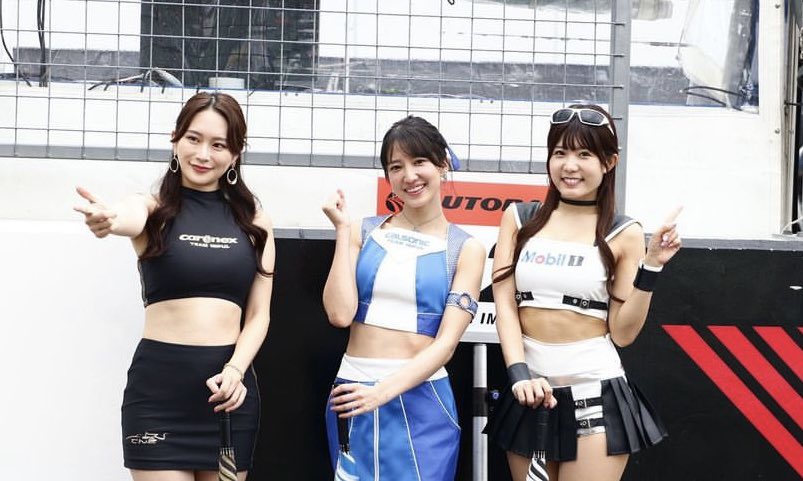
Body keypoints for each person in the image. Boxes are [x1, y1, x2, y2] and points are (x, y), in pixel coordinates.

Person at [74, 92, 274, 481]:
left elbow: (258, 314)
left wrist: (236, 370)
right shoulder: (152, 208)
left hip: (228, 395)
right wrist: (108, 219)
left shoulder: (255, 222)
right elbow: (126, 217)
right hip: (158, 397)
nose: (203, 154)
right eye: (193, 139)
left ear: (235, 154)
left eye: (218, 145)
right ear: (175, 139)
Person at [485, 104, 678, 481]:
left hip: (596, 397)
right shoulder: (519, 219)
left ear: (609, 161)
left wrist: (651, 266)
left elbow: (622, 333)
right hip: (530, 392)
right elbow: (505, 305)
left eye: (584, 154)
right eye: (560, 152)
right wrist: (519, 373)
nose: (569, 165)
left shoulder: (624, 232)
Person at [321, 115, 485, 480]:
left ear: (442, 165)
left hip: (423, 399)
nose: (409, 176)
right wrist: (342, 230)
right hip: (353, 390)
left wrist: (382, 392)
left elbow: (446, 344)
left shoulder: (465, 248)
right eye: (396, 167)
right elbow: (339, 314)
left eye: (419, 161)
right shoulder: (363, 231)